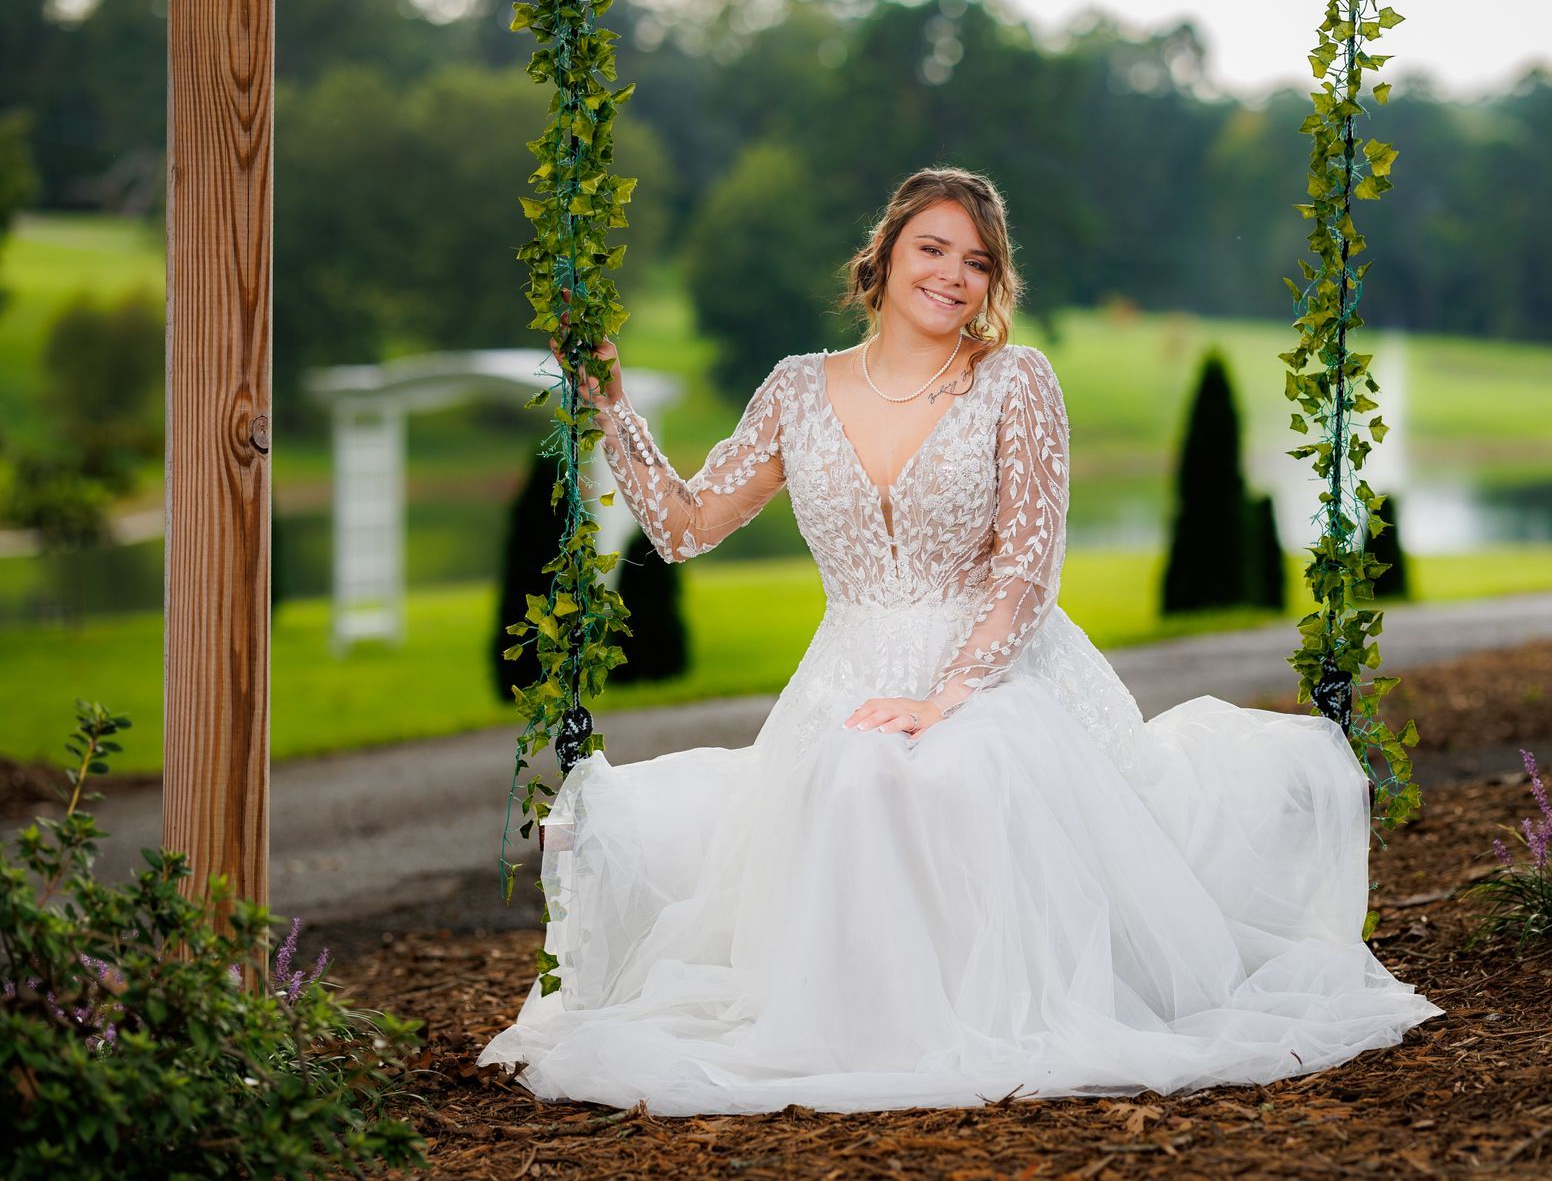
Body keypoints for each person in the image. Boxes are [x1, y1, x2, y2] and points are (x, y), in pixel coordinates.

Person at [478, 166, 1441, 1115]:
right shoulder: (796, 391)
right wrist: (609, 406)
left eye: (976, 262)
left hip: (996, 662)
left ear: (994, 283)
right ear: (884, 256)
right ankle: (861, 1024)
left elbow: (1028, 567)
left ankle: (987, 1017)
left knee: (952, 767)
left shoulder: (1013, 381)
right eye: (931, 248)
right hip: (848, 666)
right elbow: (685, 526)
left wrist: (947, 697)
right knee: (850, 774)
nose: (951, 274)